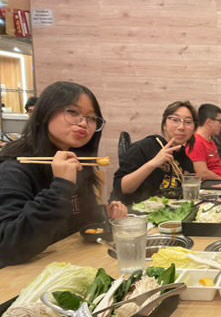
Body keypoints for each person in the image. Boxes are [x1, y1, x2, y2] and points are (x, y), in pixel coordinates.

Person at [0, 82, 127, 267]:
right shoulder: (14, 168)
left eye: (92, 118)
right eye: (73, 112)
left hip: (66, 266)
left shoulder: (77, 161)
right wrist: (60, 187)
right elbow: (8, 246)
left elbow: (71, 224)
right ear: (45, 113)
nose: (84, 123)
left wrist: (103, 215)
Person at [112, 101, 197, 205]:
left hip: (169, 217)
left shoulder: (185, 160)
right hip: (136, 214)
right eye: (175, 120)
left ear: (194, 129)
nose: (181, 127)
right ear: (164, 124)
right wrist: (153, 163)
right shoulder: (143, 148)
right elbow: (121, 188)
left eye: (188, 122)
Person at [187, 103, 221, 180]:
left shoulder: (210, 141)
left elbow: (219, 165)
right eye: (219, 121)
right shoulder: (196, 142)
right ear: (209, 122)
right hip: (212, 186)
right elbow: (202, 173)